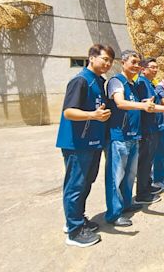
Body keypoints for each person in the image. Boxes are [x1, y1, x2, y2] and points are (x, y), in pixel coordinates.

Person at [56, 44, 114, 247]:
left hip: (93, 142)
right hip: (77, 143)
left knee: (85, 184)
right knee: (75, 186)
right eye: (104, 59)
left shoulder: (98, 81)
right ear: (91, 58)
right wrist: (93, 115)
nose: (107, 64)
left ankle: (77, 219)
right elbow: (68, 112)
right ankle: (74, 232)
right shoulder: (80, 81)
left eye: (110, 61)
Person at [105, 50, 157, 227]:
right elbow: (120, 103)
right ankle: (114, 213)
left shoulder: (133, 85)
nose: (136, 66)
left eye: (138, 63)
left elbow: (145, 107)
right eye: (133, 62)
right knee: (116, 177)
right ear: (123, 62)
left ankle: (126, 203)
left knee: (129, 175)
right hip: (119, 137)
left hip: (134, 136)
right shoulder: (116, 82)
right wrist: (143, 105)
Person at [135, 58, 164, 199]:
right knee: (151, 158)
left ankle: (150, 184)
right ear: (143, 69)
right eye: (152, 67)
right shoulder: (143, 83)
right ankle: (148, 187)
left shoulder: (149, 83)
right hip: (149, 127)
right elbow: (149, 105)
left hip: (157, 125)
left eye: (156, 67)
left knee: (157, 155)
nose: (155, 70)